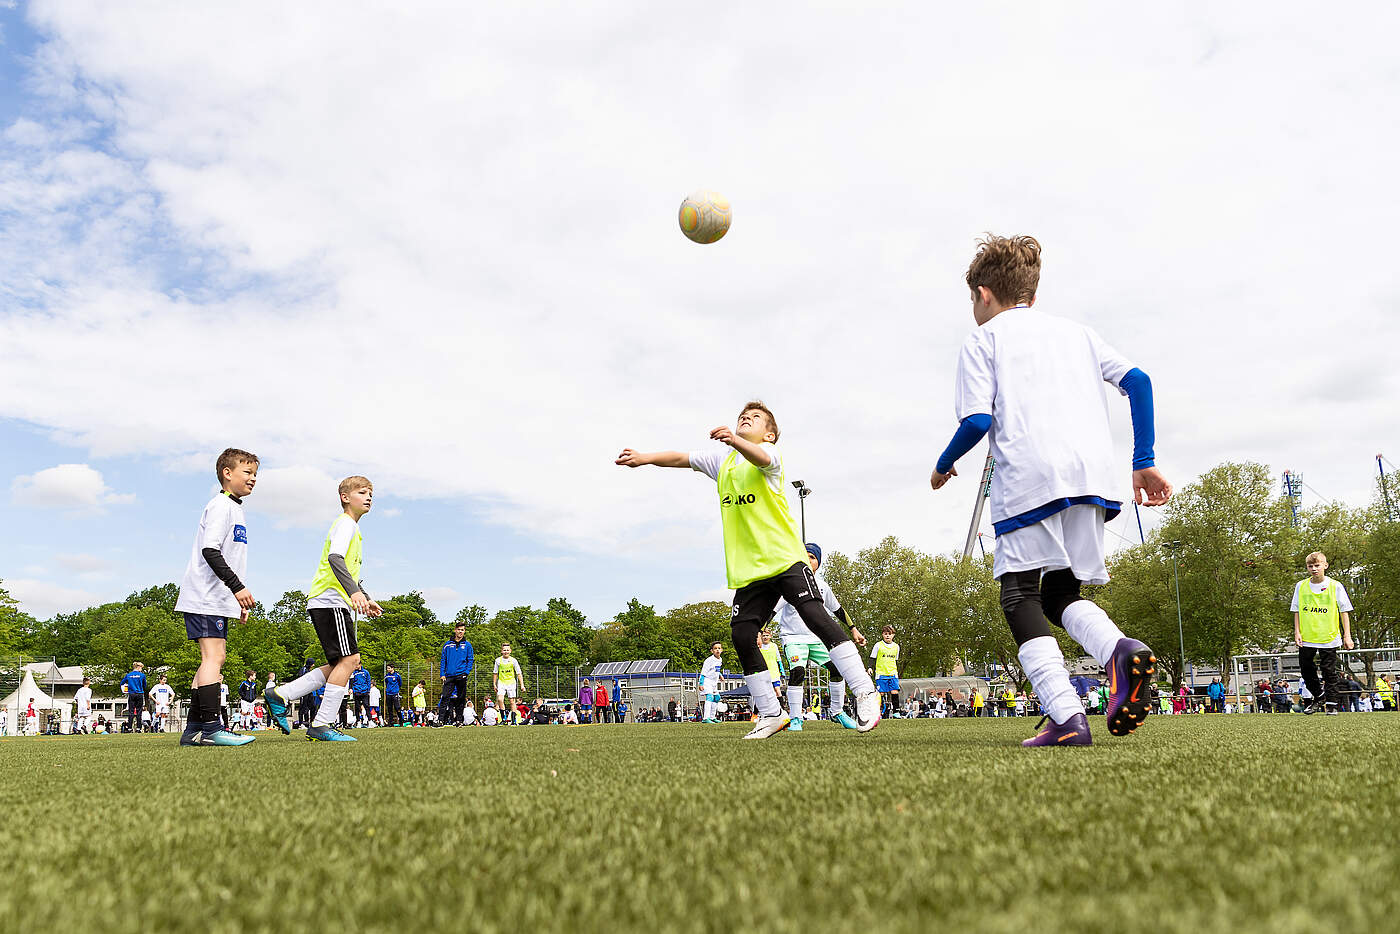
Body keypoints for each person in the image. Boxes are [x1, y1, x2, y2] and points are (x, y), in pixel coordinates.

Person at [929, 235, 1170, 747]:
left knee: (1018, 594)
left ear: (984, 294)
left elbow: (976, 420)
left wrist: (944, 464)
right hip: (1094, 478)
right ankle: (1119, 652)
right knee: (1060, 593)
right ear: (1032, 297)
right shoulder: (1079, 333)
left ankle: (1066, 716)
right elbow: (1140, 381)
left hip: (1031, 475)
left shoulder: (984, 339)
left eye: (973, 300)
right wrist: (1143, 460)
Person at [616, 401, 881, 738]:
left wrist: (735, 440)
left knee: (816, 616)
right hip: (752, 570)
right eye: (742, 416)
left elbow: (762, 458)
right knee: (742, 635)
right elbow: (681, 458)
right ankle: (772, 714)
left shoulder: (771, 456)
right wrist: (645, 458)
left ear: (768, 433)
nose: (745, 418)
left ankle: (865, 693)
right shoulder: (723, 461)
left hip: (785, 557)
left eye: (754, 418)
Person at [265, 475, 384, 741]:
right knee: (351, 661)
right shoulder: (345, 525)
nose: (368, 498)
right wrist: (354, 592)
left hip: (328, 600)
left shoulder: (353, 529)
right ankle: (322, 724)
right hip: (330, 600)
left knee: (338, 665)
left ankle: (281, 694)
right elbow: (335, 558)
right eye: (362, 492)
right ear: (345, 497)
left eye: (371, 494)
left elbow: (349, 571)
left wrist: (364, 595)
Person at [173, 447, 260, 746]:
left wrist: (236, 601)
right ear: (227, 473)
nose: (253, 479)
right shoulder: (220, 506)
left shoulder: (236, 509)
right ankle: (211, 728)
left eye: (255, 474)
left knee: (212, 658)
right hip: (204, 596)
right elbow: (210, 551)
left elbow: (231, 557)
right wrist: (237, 588)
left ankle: (194, 730)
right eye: (247, 472)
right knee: (214, 657)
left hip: (217, 599)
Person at [773, 542, 865, 731]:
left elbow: (838, 609)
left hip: (817, 639)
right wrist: (759, 629)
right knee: (798, 672)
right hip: (793, 638)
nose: (808, 559)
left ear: (818, 563)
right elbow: (772, 609)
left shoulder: (822, 586)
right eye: (804, 555)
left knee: (838, 669)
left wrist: (853, 629)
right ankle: (796, 718)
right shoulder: (789, 584)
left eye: (812, 557)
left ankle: (837, 712)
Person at [1292, 551, 1354, 716]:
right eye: (1310, 566)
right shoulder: (1301, 586)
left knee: (1328, 671)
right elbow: (1296, 610)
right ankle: (1319, 696)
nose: (1314, 569)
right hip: (1307, 636)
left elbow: (1344, 612)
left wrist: (1347, 635)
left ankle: (1332, 704)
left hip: (1329, 636)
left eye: (1317, 565)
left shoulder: (1336, 586)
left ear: (1325, 566)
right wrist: (1297, 632)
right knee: (1306, 669)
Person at [440, 623, 475, 726]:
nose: (460, 631)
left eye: (462, 630)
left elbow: (470, 659)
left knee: (460, 699)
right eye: (459, 629)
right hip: (449, 676)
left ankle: (459, 720)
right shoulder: (447, 644)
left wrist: (466, 672)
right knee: (445, 697)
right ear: (455, 630)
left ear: (464, 631)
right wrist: (442, 674)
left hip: (461, 675)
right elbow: (443, 660)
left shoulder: (467, 645)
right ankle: (440, 720)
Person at [871, 627, 901, 717]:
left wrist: (896, 671)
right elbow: (872, 658)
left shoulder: (896, 646)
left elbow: (895, 660)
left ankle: (896, 712)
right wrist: (870, 667)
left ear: (893, 635)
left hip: (892, 673)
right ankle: (878, 713)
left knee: (894, 691)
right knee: (881, 693)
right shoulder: (878, 645)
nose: (887, 635)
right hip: (881, 673)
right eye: (885, 634)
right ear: (882, 635)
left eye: (889, 634)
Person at [493, 644, 524, 712]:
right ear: (501, 651)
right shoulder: (498, 660)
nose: (506, 652)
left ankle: (514, 720)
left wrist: (522, 685)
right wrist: (494, 684)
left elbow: (519, 673)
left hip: (511, 683)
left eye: (507, 650)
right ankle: (503, 718)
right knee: (500, 699)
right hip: (501, 682)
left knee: (512, 701)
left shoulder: (513, 660)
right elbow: (495, 673)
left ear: (510, 651)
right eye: (504, 650)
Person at [119, 662, 148, 735]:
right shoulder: (142, 675)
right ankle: (138, 728)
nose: (141, 669)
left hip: (131, 694)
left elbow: (122, 683)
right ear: (138, 667)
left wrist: (127, 688)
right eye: (141, 668)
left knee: (131, 711)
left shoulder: (128, 675)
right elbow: (145, 685)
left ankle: (129, 728)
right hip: (139, 694)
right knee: (139, 711)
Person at [699, 641, 724, 723]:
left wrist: (720, 675)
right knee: (709, 697)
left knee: (717, 698)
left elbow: (715, 669)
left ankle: (712, 717)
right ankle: (706, 718)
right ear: (712, 651)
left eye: (719, 648)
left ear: (722, 650)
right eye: (715, 648)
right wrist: (701, 683)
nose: (717, 650)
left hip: (714, 682)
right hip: (707, 681)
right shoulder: (709, 660)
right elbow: (703, 672)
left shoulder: (720, 659)